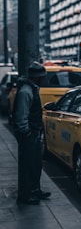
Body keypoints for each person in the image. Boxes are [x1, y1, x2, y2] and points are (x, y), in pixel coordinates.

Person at [13, 61, 51, 205]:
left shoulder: (32, 88)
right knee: (28, 165)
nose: (44, 79)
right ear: (38, 77)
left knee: (35, 163)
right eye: (43, 76)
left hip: (33, 133)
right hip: (28, 135)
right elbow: (22, 115)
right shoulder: (26, 91)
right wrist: (27, 133)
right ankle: (26, 195)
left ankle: (34, 190)